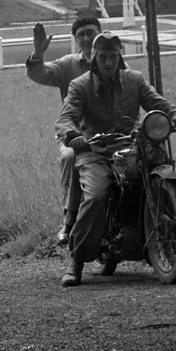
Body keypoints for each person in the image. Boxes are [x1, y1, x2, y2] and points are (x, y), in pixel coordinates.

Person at [55, 32, 176, 287]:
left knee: (172, 187)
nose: (108, 62)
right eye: (102, 57)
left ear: (120, 57)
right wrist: (73, 135)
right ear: (94, 59)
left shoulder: (134, 80)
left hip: (133, 147)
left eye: (113, 56)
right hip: (96, 152)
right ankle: (76, 261)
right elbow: (65, 117)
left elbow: (161, 105)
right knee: (96, 196)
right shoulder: (79, 85)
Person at [25, 15, 102, 244]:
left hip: (108, 133)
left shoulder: (112, 61)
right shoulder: (69, 65)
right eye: (82, 35)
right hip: (75, 135)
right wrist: (38, 53)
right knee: (70, 157)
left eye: (91, 32)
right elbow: (40, 74)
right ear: (75, 40)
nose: (87, 38)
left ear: (100, 32)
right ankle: (68, 222)